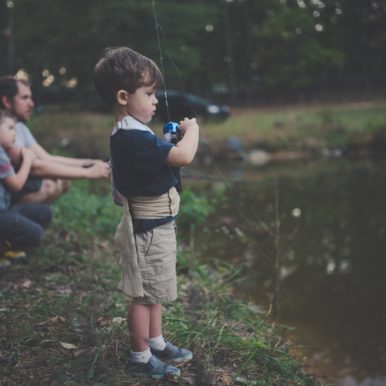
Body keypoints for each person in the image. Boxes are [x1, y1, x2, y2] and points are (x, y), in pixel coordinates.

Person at [93, 47, 199, 380]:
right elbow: (182, 158)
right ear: (124, 96)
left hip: (158, 226)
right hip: (149, 230)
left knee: (154, 291)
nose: (155, 100)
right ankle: (140, 356)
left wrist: (169, 139)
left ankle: (155, 341)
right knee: (142, 295)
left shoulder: (134, 133)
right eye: (149, 93)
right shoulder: (130, 137)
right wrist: (193, 131)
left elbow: (161, 157)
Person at [0, 76, 110, 204]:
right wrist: (88, 173)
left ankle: (29, 220)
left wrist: (90, 162)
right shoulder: (4, 132)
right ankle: (15, 218)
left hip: (16, 186)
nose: (31, 103)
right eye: (24, 98)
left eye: (30, 97)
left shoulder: (19, 127)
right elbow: (36, 168)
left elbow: (47, 158)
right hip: (8, 193)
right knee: (48, 185)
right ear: (7, 101)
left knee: (61, 181)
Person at [0, 110, 52, 267]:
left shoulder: (3, 152)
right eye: (10, 128)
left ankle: (6, 245)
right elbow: (16, 185)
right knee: (34, 233)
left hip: (5, 210)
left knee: (44, 212)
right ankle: (3, 247)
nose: (14, 133)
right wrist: (28, 160)